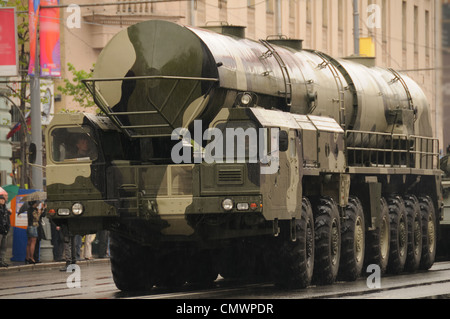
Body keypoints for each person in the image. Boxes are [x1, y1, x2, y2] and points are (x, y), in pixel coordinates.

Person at [0, 195, 12, 267]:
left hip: (5, 230)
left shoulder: (5, 209)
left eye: (3, 200)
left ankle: (2, 260)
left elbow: (7, 219)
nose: (2, 201)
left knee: (3, 246)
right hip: (0, 230)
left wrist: (8, 213)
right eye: (0, 199)